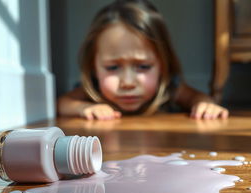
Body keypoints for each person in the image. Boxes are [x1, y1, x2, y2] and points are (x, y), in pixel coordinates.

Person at [57, 0, 229, 120]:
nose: (128, 82)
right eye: (112, 68)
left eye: (143, 66)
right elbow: (62, 103)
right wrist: (85, 108)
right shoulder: (94, 88)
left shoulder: (170, 88)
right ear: (93, 67)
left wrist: (205, 104)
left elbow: (197, 97)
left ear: (163, 65)